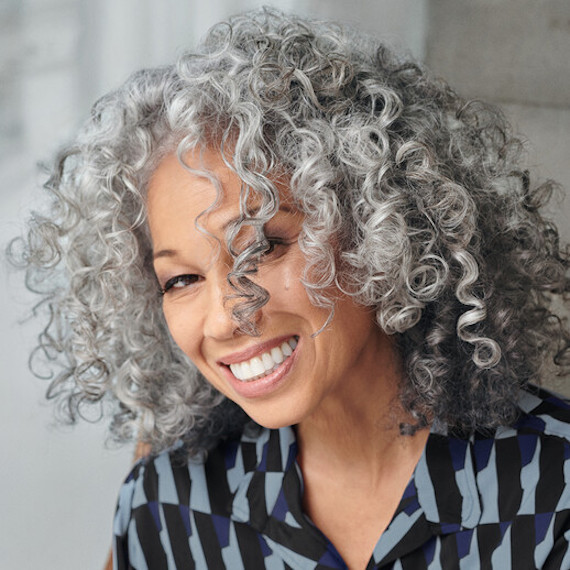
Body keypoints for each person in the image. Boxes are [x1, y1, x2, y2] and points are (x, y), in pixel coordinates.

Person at [12, 7, 570, 569]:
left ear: (382, 228)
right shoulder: (169, 510)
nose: (226, 317)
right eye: (181, 279)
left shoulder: (555, 493)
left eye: (262, 247)